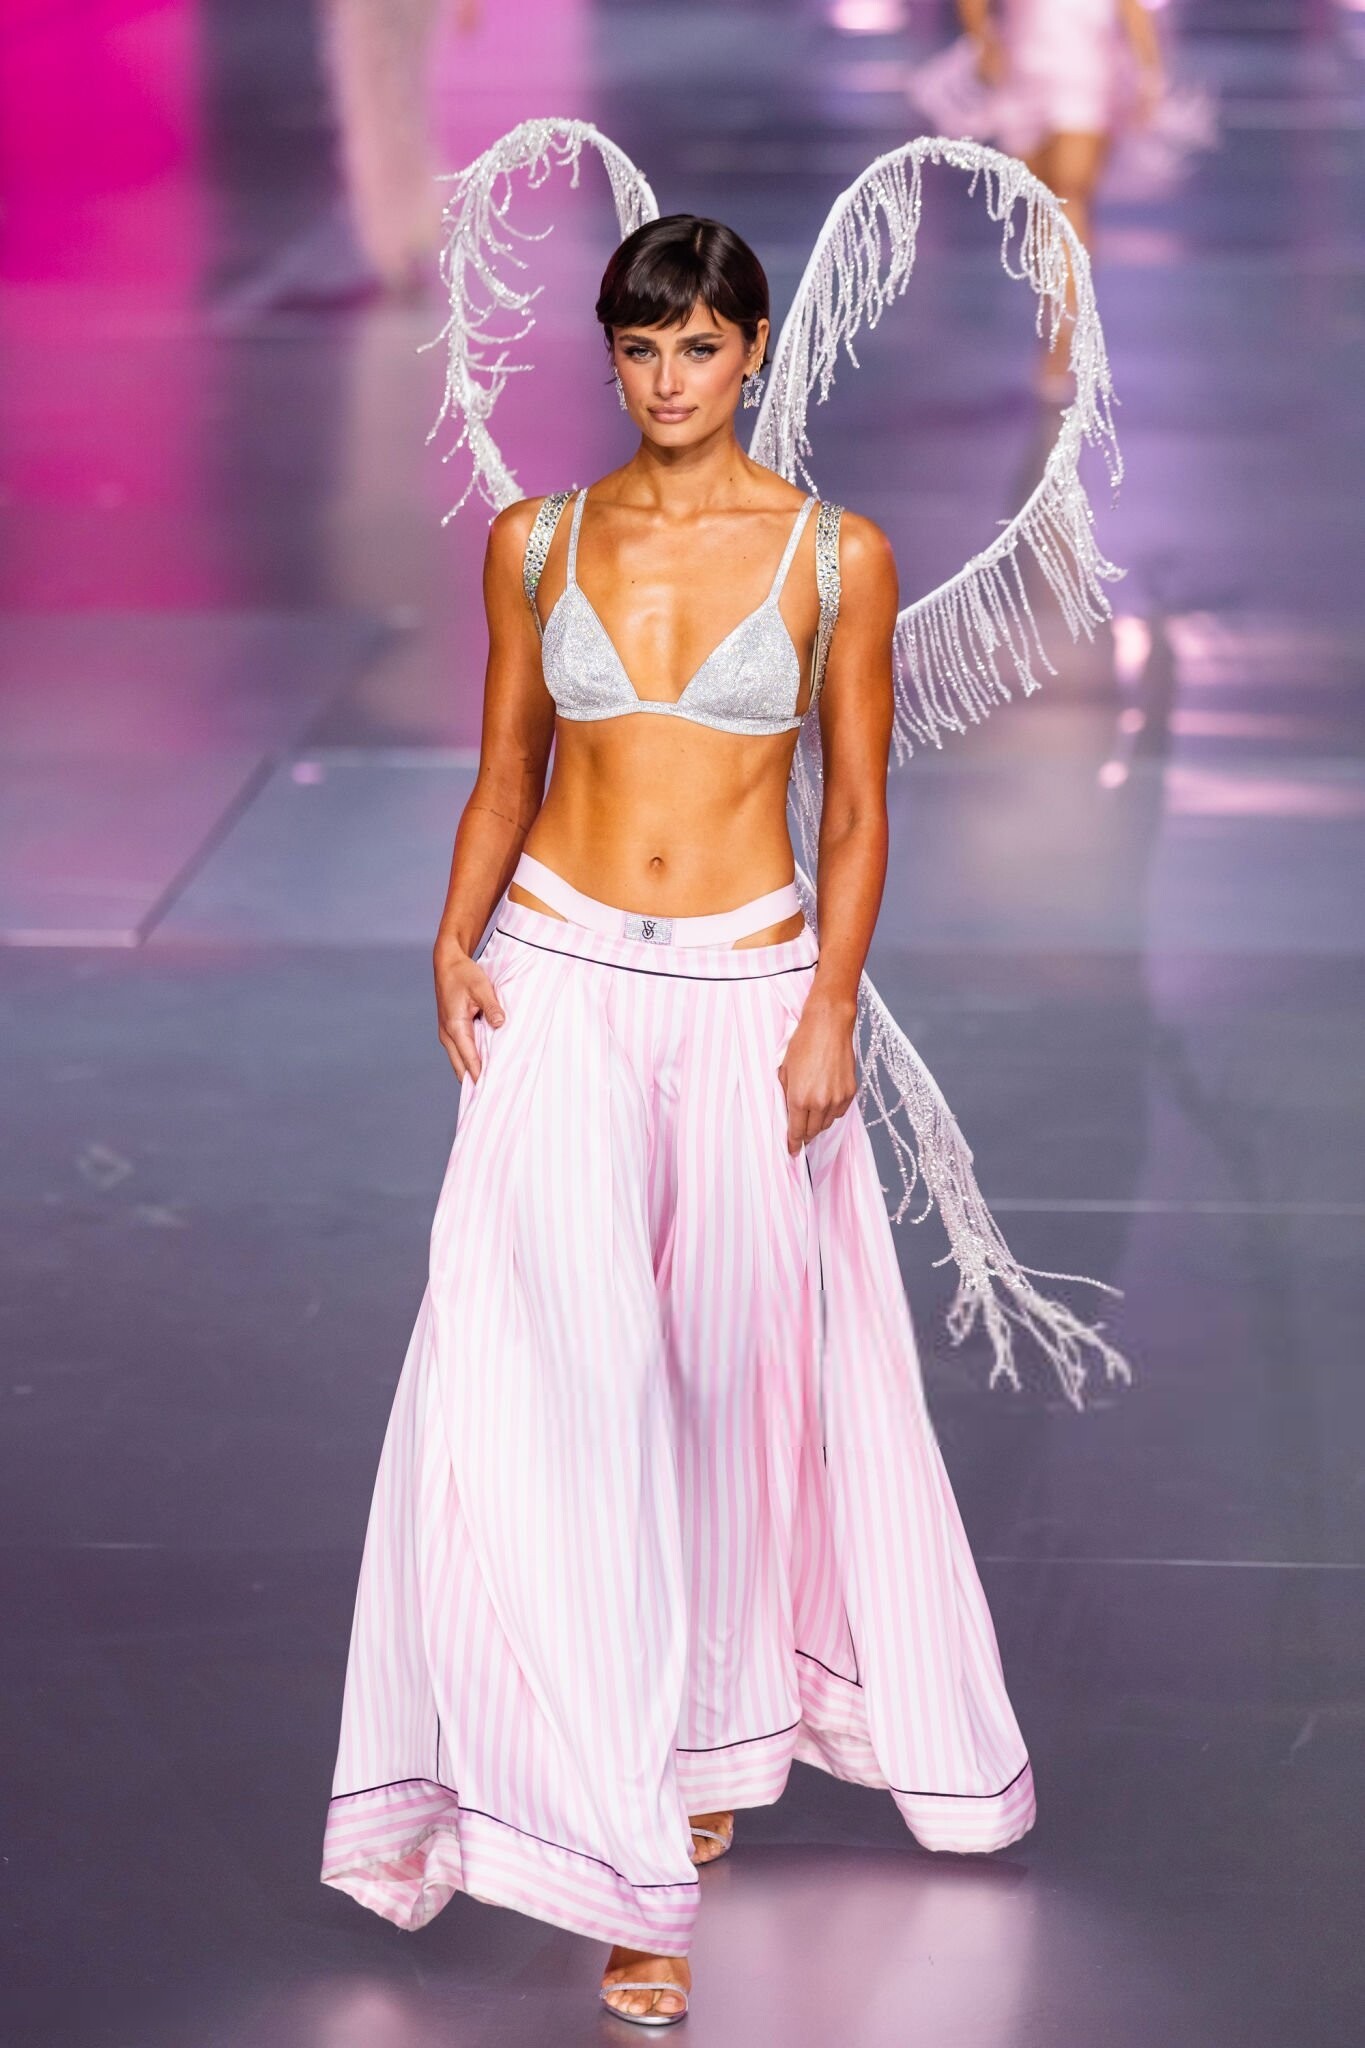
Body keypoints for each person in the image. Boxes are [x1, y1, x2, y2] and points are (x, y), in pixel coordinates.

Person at [321, 209, 1087, 2027]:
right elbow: (506, 768)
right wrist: (451, 936)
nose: (669, 379)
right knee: (546, 1393)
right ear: (612, 359)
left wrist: (829, 1010)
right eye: (639, 348)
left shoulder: (837, 554)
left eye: (700, 346)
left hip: (749, 998)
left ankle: (703, 1740)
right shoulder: (538, 540)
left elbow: (860, 808)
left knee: (733, 1392)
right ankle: (624, 1866)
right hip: (559, 984)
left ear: (752, 352)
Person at [910, 0, 1166, 394]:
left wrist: (1149, 71)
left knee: (1069, 197)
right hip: (1023, 70)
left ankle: (1065, 335)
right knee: (1041, 211)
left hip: (1086, 69)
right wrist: (982, 40)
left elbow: (1130, 7)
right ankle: (1054, 317)